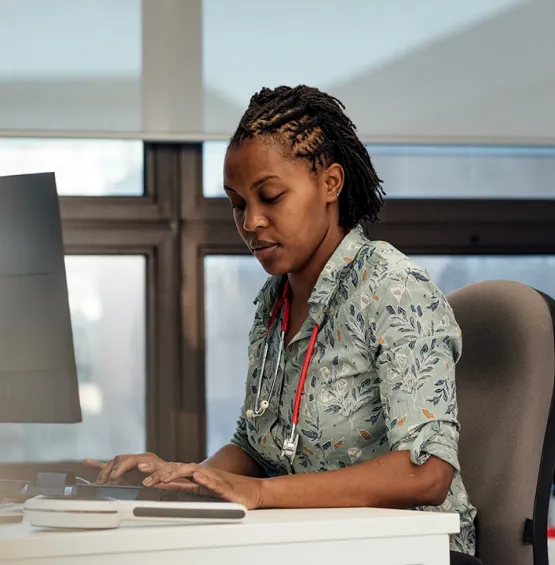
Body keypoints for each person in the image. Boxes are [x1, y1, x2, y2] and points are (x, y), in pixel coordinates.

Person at [86, 85, 480, 565]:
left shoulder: (394, 289)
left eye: (271, 196)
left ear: (331, 184)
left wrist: (260, 493)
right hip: (309, 543)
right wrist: (179, 480)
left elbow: (427, 475)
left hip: (412, 549)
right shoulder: (274, 301)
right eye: (237, 203)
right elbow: (253, 446)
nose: (251, 221)